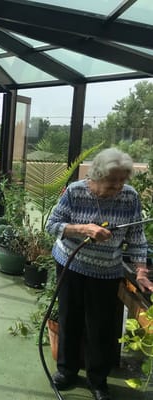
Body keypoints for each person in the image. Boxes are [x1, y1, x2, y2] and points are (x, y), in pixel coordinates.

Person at [46, 148, 153, 400]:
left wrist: (141, 272)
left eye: (121, 180)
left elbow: (137, 237)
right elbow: (53, 225)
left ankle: (98, 380)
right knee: (69, 318)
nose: (118, 186)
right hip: (71, 264)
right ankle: (67, 371)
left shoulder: (130, 197)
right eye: (111, 181)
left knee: (101, 327)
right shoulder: (75, 192)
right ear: (95, 175)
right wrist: (82, 228)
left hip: (105, 272)